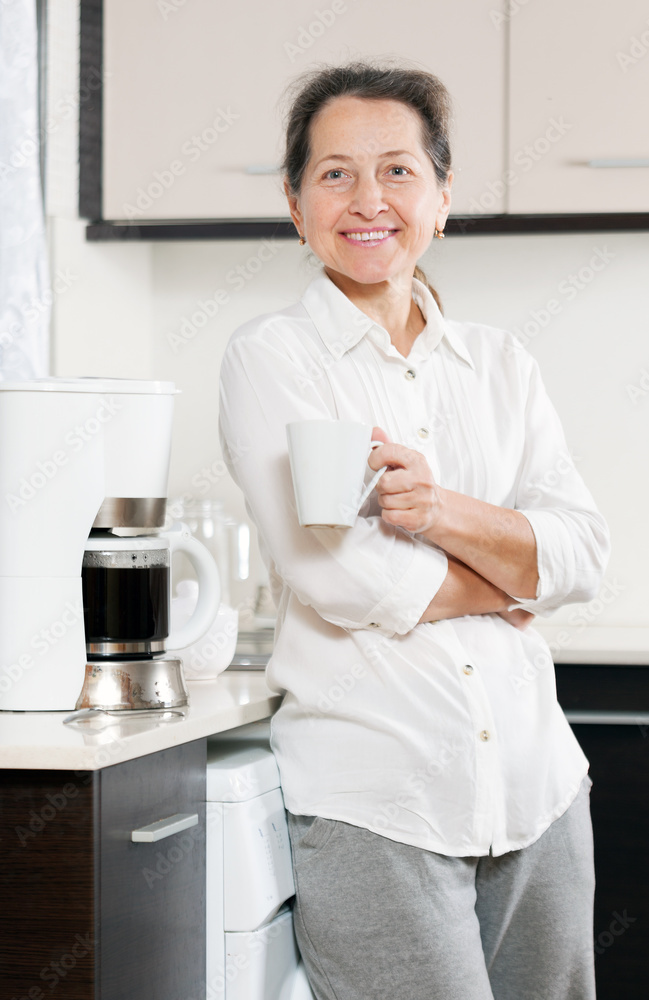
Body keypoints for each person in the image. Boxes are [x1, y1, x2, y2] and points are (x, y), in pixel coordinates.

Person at [218, 62, 610, 1000]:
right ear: (295, 203)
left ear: (442, 197)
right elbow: (342, 578)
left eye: (398, 170)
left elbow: (584, 554)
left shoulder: (501, 365)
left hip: (539, 788)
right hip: (377, 803)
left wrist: (440, 513)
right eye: (336, 174)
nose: (369, 200)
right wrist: (513, 577)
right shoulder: (272, 359)